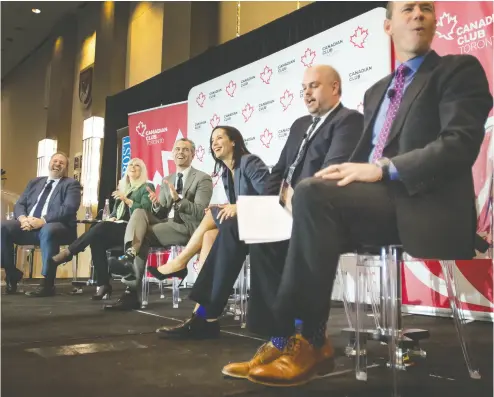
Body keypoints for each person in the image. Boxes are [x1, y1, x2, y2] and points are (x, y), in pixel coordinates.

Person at [226, 1, 493, 387]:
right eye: (407, 9)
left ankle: (309, 341)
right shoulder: (376, 91)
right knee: (276, 222)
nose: (418, 14)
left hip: (421, 201)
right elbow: (360, 157)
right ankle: (282, 338)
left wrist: (383, 168)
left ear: (435, 21)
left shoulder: (458, 70)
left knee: (313, 195)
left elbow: (460, 144)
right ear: (388, 26)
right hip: (369, 204)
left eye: (426, 8)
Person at [158, 64, 363, 341]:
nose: (306, 93)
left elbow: (333, 171)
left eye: (313, 86)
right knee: (231, 227)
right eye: (303, 88)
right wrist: (267, 206)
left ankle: (283, 336)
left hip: (313, 211)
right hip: (281, 210)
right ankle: (205, 316)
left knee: (244, 227)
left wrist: (289, 200)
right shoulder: (300, 125)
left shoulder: (348, 120)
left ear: (335, 87)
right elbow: (278, 171)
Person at [148, 126, 270, 338]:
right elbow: (233, 208)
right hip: (241, 230)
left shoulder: (250, 162)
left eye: (219, 137)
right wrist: (228, 208)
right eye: (212, 139)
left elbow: (271, 196)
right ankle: (203, 316)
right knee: (210, 235)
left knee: (213, 213)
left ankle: (181, 264)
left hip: (265, 227)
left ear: (234, 141)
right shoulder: (225, 172)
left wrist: (236, 207)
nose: (214, 142)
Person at [104, 138, 213, 310]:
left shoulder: (202, 178)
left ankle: (130, 289)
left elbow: (200, 212)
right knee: (140, 212)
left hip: (187, 227)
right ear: (172, 153)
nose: (180, 152)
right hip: (166, 223)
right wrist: (156, 203)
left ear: (193, 154)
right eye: (177, 149)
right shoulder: (167, 178)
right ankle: (131, 254)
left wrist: (179, 200)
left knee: (142, 237)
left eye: (185, 149)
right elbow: (161, 213)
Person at [51, 158, 154, 300]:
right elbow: (115, 212)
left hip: (133, 230)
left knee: (99, 229)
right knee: (96, 239)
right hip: (117, 226)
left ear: (142, 171)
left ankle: (70, 252)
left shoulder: (146, 187)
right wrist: (111, 217)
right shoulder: (123, 187)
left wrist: (126, 199)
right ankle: (103, 284)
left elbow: (145, 211)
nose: (133, 167)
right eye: (130, 164)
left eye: (137, 165)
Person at [1, 152, 81, 296]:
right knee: (3, 227)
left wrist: (42, 221)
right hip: (28, 227)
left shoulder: (71, 184)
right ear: (49, 163)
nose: (57, 164)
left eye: (61, 163)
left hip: (57, 228)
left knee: (48, 229)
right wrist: (23, 219)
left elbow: (69, 208)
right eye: (55, 161)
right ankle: (11, 273)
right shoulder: (34, 182)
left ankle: (47, 283)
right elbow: (20, 204)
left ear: (66, 168)